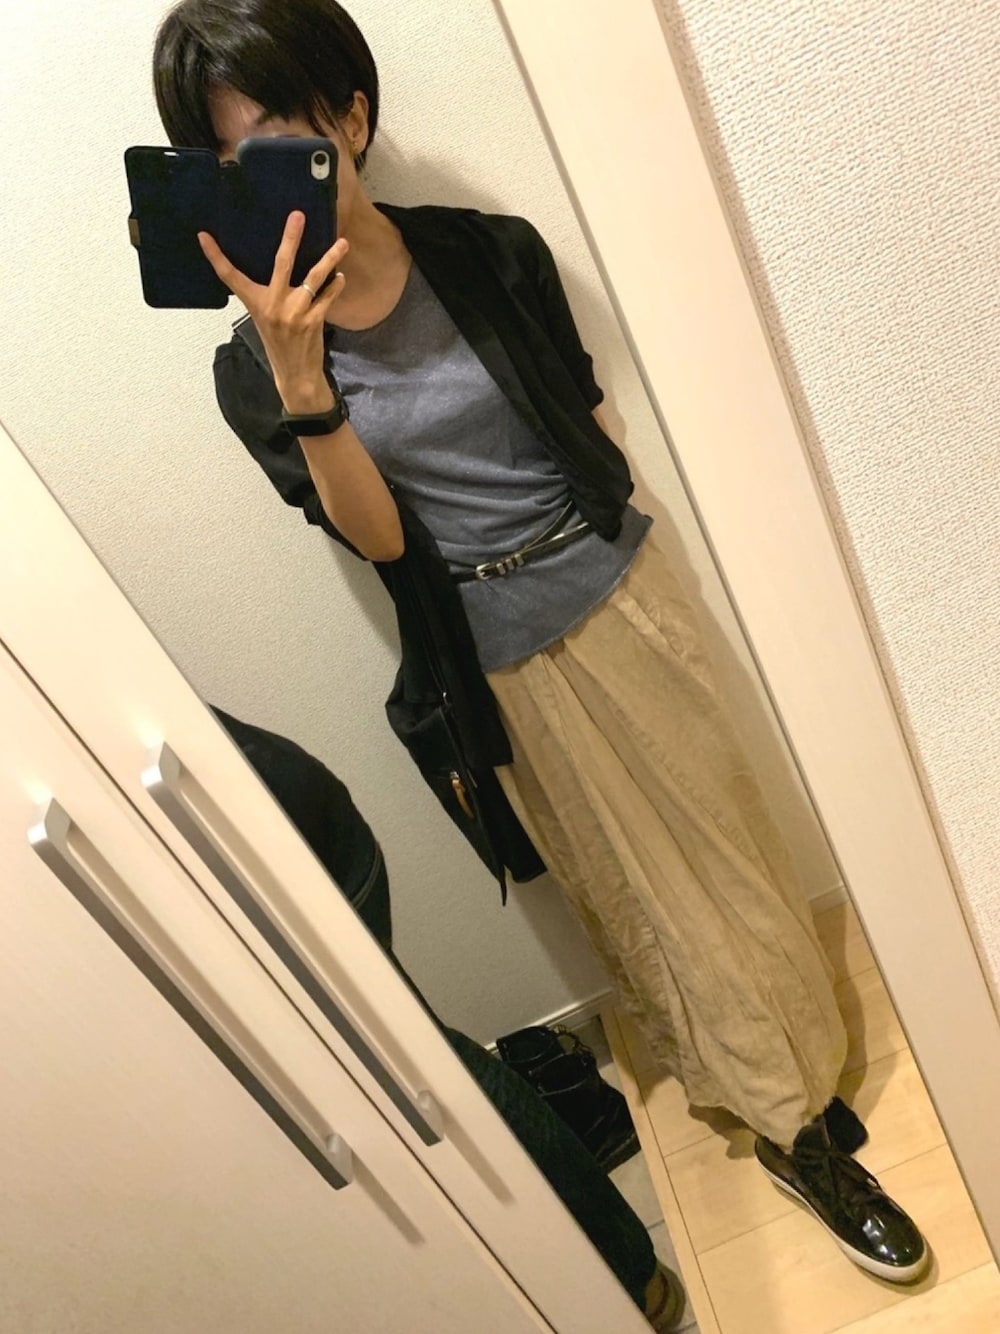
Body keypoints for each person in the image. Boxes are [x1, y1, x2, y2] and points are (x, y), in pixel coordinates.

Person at [152, 0, 929, 1286]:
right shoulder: (254, 372)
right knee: (641, 892)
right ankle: (791, 1126)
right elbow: (379, 541)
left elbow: (582, 411)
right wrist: (303, 387)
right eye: (231, 160)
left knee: (731, 845)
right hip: (499, 657)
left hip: (623, 590)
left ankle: (797, 1066)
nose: (268, 178)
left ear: (352, 116)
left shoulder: (488, 251)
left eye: (285, 134)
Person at [210, 705, 684, 1330]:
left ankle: (631, 1275)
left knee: (431, 1072)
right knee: (422, 1068)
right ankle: (616, 1269)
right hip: (288, 836)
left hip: (287, 852)